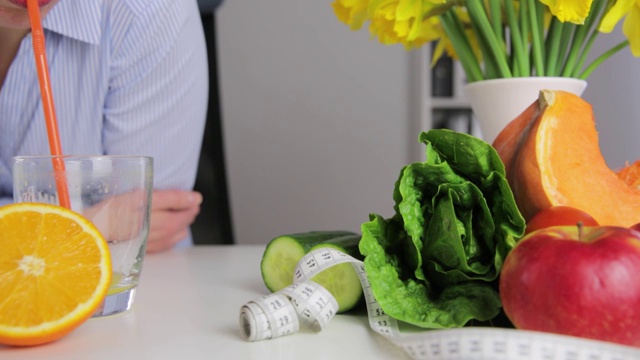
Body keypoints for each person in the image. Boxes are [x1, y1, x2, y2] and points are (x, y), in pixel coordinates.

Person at [0, 0, 208, 253]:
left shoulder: (151, 8)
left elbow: (145, 226)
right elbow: (120, 228)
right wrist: (91, 225)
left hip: (139, 284)